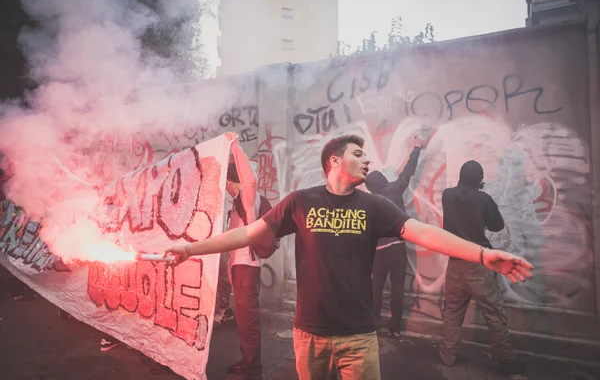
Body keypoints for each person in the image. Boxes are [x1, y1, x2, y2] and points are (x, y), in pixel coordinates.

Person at [164, 134, 533, 380]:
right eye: (358, 154)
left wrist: (483, 254)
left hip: (359, 338)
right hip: (309, 336)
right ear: (335, 161)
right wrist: (189, 248)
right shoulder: (299, 201)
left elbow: (424, 232)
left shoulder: (375, 205)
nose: (367, 160)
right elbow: (247, 233)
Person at [438, 160, 523, 375]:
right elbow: (497, 225)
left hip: (455, 263)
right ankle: (506, 360)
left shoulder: (447, 195)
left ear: (460, 175)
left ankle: (448, 356)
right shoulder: (483, 198)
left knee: (452, 314)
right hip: (478, 263)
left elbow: (460, 201)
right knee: (494, 314)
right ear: (480, 179)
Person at [365, 134, 425, 338]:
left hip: (379, 251)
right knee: (398, 287)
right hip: (398, 248)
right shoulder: (395, 188)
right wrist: (417, 148)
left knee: (376, 287)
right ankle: (396, 327)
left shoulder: (368, 202)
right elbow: (409, 171)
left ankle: (374, 323)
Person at [221, 157, 265, 380]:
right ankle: (248, 362)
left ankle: (252, 368)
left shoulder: (248, 199)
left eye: (226, 183)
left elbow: (249, 181)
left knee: (247, 320)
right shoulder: (238, 203)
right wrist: (230, 267)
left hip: (247, 269)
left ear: (230, 181)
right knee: (243, 319)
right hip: (241, 268)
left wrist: (235, 148)